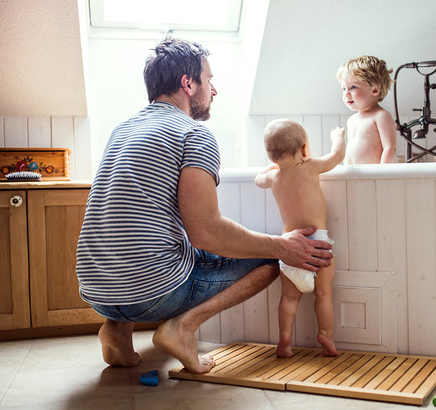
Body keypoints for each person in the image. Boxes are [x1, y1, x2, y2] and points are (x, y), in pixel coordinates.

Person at [75, 37, 333, 374]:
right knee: (273, 254)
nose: (214, 91)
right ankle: (182, 327)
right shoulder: (192, 134)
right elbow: (205, 231)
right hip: (150, 292)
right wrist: (283, 246)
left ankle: (115, 329)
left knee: (159, 242)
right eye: (209, 80)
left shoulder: (123, 130)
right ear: (188, 83)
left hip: (97, 291)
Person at [255, 119, 346, 357]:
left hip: (290, 248)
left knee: (288, 297)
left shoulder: (274, 177)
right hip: (319, 245)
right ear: (305, 149)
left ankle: (285, 339)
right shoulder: (311, 166)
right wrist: (338, 136)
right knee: (324, 294)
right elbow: (337, 156)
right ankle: (325, 335)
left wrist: (271, 168)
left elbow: (257, 180)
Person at [337, 55, 397, 164]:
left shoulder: (380, 116)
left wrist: (382, 174)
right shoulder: (351, 120)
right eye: (344, 89)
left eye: (353, 87)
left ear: (374, 90)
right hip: (351, 174)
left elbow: (390, 147)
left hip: (372, 175)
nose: (346, 94)